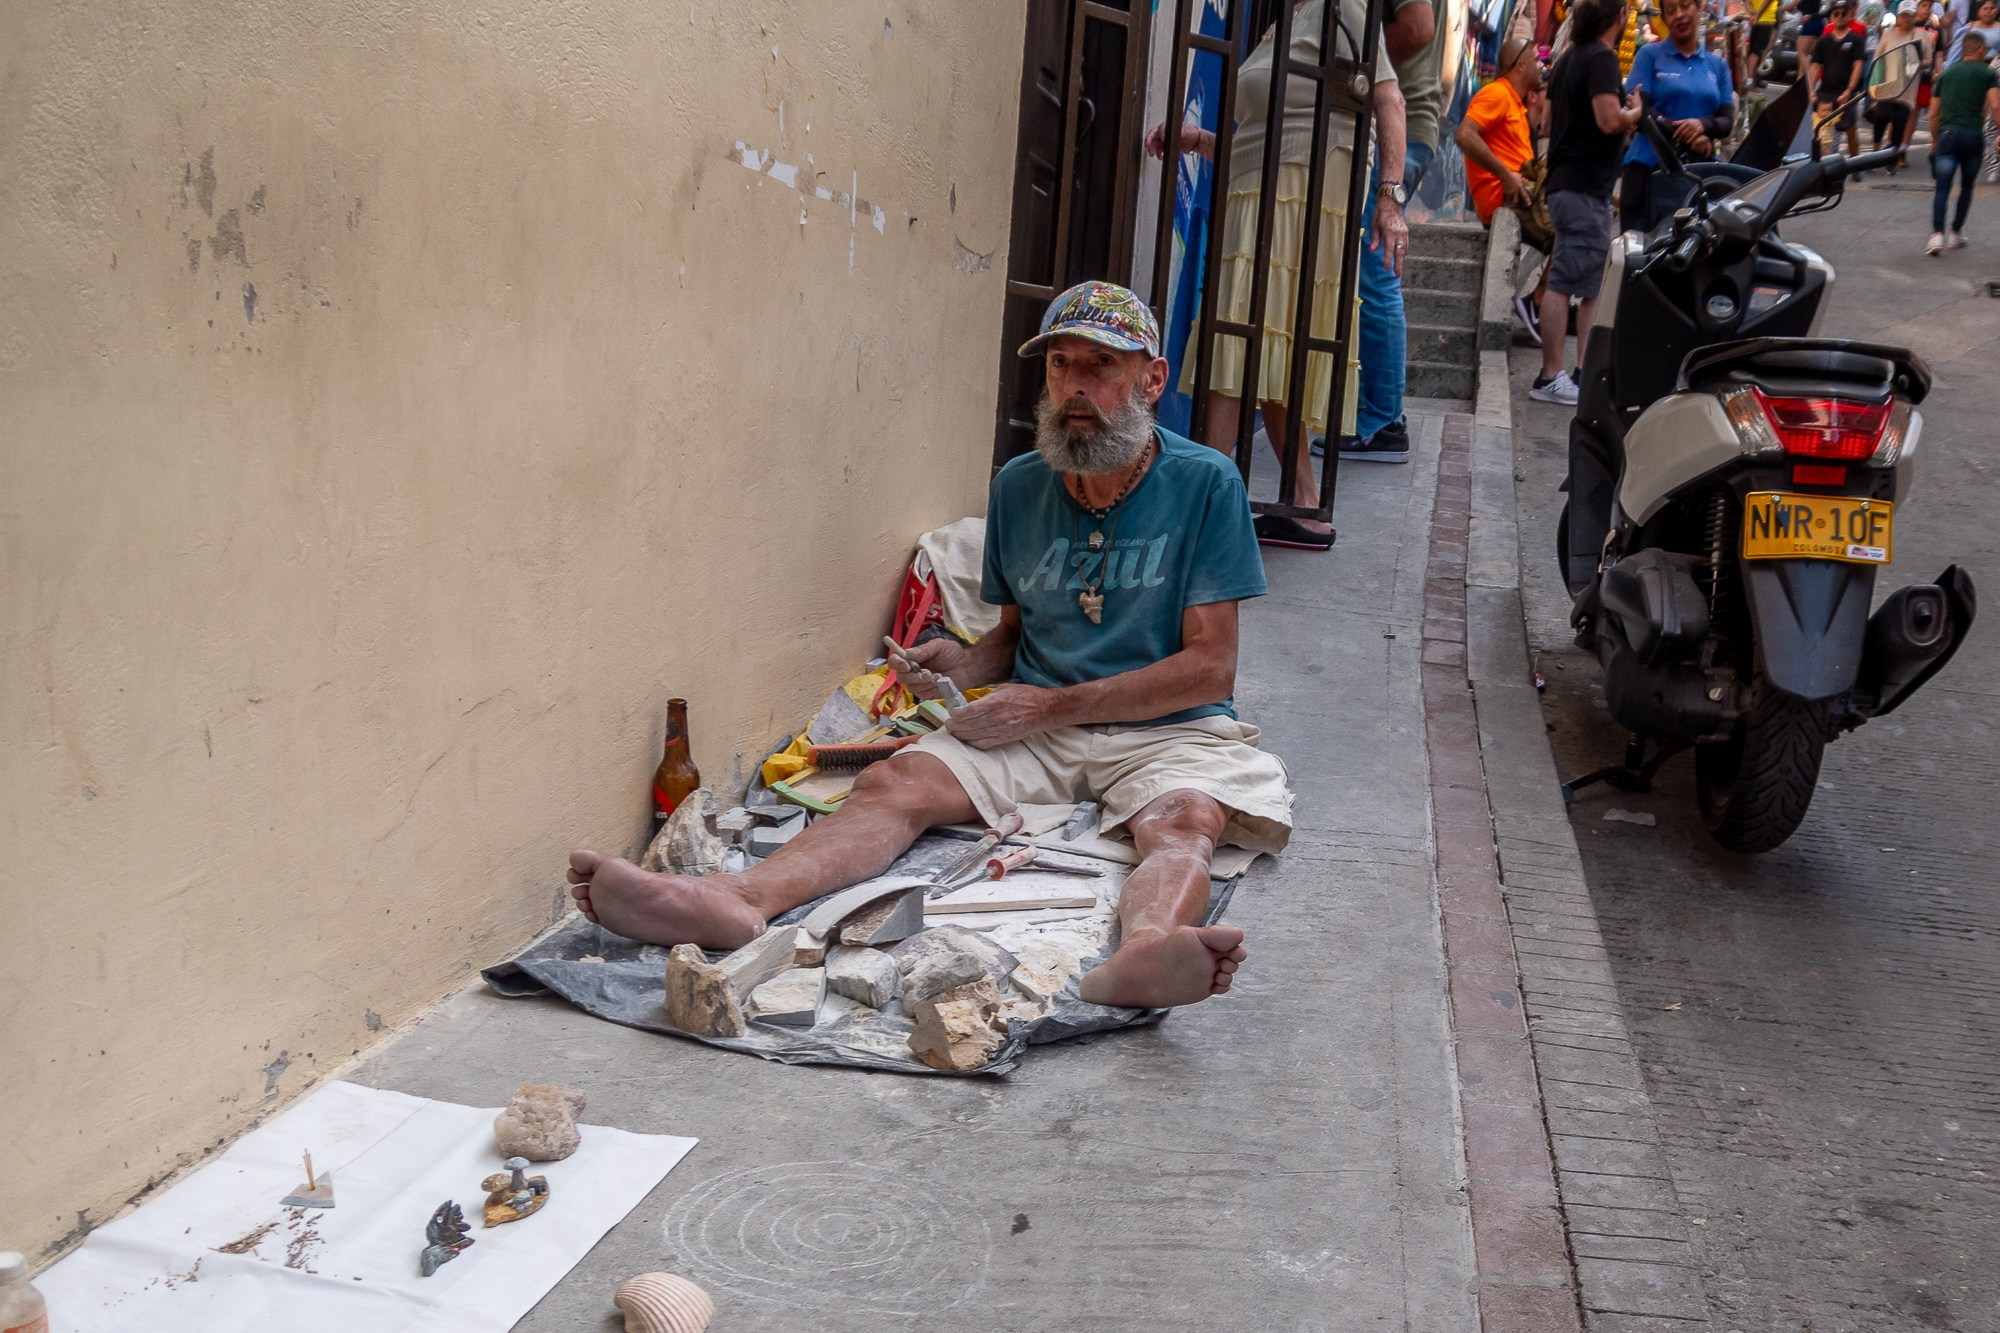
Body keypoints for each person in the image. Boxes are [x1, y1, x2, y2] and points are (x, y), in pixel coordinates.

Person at [567, 281, 1294, 1010]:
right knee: (893, 783)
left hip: (1162, 730)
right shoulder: (1018, 485)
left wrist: (1046, 707)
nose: (1075, 386)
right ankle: (738, 898)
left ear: (1152, 378)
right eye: (1060, 365)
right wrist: (964, 660)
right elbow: (1013, 636)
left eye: (1100, 366)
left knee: (1186, 820)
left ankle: (1143, 954)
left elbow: (1209, 668)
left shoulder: (1205, 482)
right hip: (1037, 725)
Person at [1147, 0, 1407, 550]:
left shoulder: (1342, 8)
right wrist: (1199, 140)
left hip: (1301, 195)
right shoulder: (1285, 21)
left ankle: (1208, 508)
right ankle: (1305, 506)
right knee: (1267, 341)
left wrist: (1389, 198)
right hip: (1266, 190)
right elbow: (1267, 133)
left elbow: (1389, 97)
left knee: (1238, 328)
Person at [1342, 0, 1449, 467]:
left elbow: (1418, 28)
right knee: (1368, 271)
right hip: (1403, 125)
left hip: (1397, 126)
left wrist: (1355, 72)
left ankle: (1382, 420)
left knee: (1374, 271)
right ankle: (1376, 415)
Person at [1532, 0, 1643, 405]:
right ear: (1619, 17)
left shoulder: (1566, 61)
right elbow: (1608, 120)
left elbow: (1544, 123)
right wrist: (1635, 113)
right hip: (1583, 187)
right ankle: (1551, 376)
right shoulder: (1601, 59)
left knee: (1590, 283)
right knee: (1565, 283)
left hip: (1567, 184)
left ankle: (1582, 372)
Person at [1457, 37, 1549, 340]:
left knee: (1579, 220)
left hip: (1520, 194)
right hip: (1505, 197)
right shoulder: (1496, 93)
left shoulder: (1517, 104)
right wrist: (1505, 175)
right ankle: (1536, 301)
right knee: (1578, 228)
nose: (1541, 65)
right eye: (1536, 59)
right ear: (1520, 65)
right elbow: (1464, 135)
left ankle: (1537, 299)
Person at [1620, 0, 1736, 230]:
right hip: (1647, 170)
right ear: (1663, 19)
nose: (1679, 15)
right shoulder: (1649, 55)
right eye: (1671, 11)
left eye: (1685, 6)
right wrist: (1684, 132)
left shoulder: (1717, 65)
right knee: (1638, 254)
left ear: (1699, 7)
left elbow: (1726, 121)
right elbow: (1639, 109)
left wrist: (1703, 125)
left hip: (1697, 175)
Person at [1927, 29, 2000, 250]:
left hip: (1947, 135)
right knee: (1966, 186)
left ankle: (1937, 235)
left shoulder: (1947, 73)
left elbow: (1933, 113)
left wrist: (1934, 139)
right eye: (1985, 49)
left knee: (1942, 187)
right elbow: (1995, 105)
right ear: (1979, 50)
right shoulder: (1988, 73)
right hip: (1972, 135)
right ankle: (1956, 233)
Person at [1870, 1, 1930, 162]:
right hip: (1887, 84)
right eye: (1903, 15)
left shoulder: (1922, 35)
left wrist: (1914, 61)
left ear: (1913, 16)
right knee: (1881, 116)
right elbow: (1877, 58)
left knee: (1900, 120)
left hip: (1908, 86)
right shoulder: (1888, 33)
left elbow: (1928, 61)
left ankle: (1892, 157)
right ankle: (1874, 153)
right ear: (1898, 16)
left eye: (1909, 15)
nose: (1906, 19)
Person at [1813, 0, 1869, 155]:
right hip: (1826, 92)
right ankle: (1823, 162)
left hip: (1847, 93)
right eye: (1836, 13)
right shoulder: (1824, 40)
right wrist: (1811, 90)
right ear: (1831, 16)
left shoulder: (1856, 39)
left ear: (1850, 14)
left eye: (1843, 13)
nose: (1839, 17)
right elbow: (1815, 65)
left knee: (1850, 129)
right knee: (1821, 129)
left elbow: (1858, 65)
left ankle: (1855, 163)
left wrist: (1850, 89)